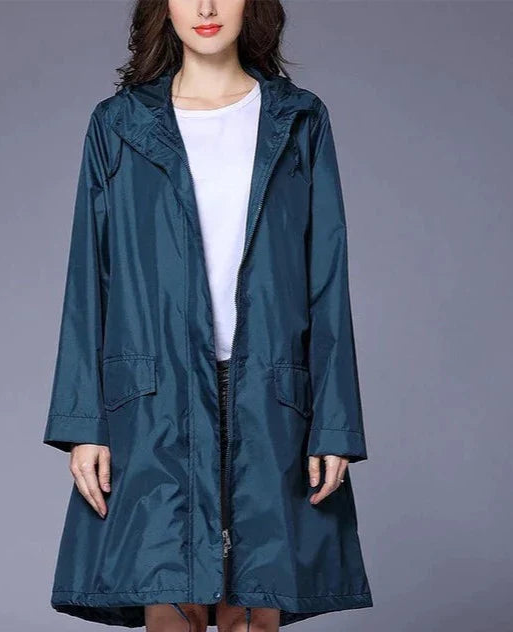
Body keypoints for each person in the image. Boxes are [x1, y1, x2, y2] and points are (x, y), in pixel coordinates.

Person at [42, 1, 373, 630]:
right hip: (154, 400)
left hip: (271, 398)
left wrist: (335, 424)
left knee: (253, 611)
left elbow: (327, 277)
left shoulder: (299, 119)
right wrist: (84, 423)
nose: (207, 7)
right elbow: (89, 277)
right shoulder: (119, 125)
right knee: (174, 604)